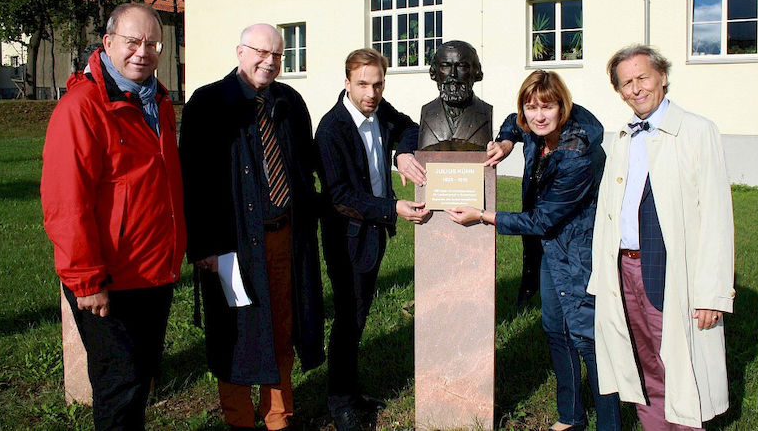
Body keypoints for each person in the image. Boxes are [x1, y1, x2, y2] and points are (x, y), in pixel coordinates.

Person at [446, 70, 621, 431]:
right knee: (556, 330)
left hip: (579, 252)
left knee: (588, 339)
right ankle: (571, 416)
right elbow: (514, 121)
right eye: (532, 107)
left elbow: (542, 219)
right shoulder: (532, 128)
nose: (539, 116)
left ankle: (610, 424)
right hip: (550, 251)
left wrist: (483, 215)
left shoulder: (577, 156)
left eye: (547, 107)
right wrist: (506, 142)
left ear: (562, 107)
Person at [41, 2, 186, 430]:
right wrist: (86, 280)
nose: (143, 52)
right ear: (107, 43)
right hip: (108, 279)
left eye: (152, 43)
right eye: (132, 42)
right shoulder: (82, 107)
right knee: (118, 388)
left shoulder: (158, 101)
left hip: (153, 271)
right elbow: (66, 202)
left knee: (139, 380)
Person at [179, 24, 325, 431]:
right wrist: (204, 246)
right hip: (232, 245)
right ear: (240, 51)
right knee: (236, 334)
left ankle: (278, 417)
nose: (270, 61)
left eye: (278, 54)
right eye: (261, 52)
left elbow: (304, 166)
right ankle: (239, 420)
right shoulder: (208, 103)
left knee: (282, 328)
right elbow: (192, 181)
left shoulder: (289, 101)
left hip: (283, 239)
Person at [587, 44, 735, 430]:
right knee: (641, 363)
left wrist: (712, 293)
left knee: (680, 365)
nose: (636, 89)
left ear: (663, 77)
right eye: (626, 83)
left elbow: (717, 217)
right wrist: (603, 277)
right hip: (625, 270)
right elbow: (607, 215)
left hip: (671, 271)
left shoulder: (697, 131)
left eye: (643, 78)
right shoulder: (623, 137)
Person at [315, 48, 428, 431]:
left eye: (378, 84)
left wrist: (402, 153)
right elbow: (340, 195)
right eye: (363, 84)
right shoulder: (331, 130)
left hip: (373, 233)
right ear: (347, 83)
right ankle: (340, 403)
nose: (371, 93)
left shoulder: (379, 109)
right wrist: (392, 208)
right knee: (348, 318)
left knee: (359, 315)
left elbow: (409, 126)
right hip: (347, 238)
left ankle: (351, 391)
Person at [418, 40, 492, 151]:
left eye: (462, 66)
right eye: (445, 66)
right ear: (434, 72)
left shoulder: (485, 111)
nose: (453, 74)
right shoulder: (427, 112)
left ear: (476, 71)